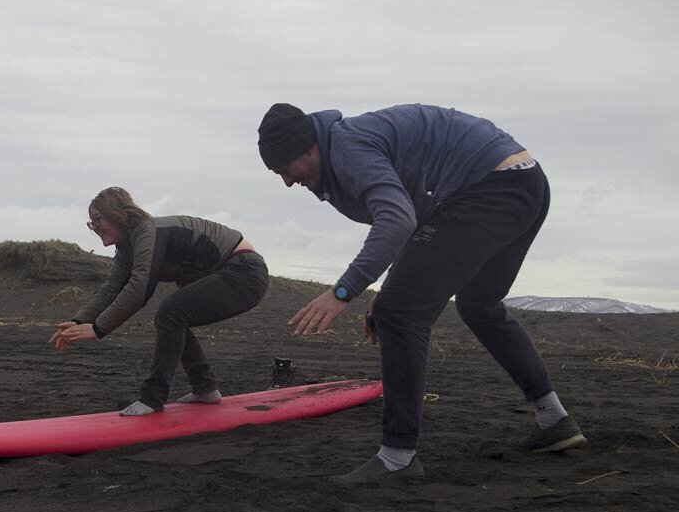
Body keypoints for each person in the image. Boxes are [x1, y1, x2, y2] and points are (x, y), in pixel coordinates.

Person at [257, 102, 586, 483]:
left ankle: (398, 457)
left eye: (285, 168)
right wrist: (390, 287)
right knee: (478, 304)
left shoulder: (347, 148)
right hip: (524, 183)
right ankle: (554, 418)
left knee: (401, 314)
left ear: (309, 148)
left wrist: (344, 291)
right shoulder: (348, 143)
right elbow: (420, 220)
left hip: (489, 189)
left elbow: (396, 219)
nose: (285, 181)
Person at [50, 186, 269, 415]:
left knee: (171, 313)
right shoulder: (127, 247)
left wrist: (98, 328)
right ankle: (205, 389)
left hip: (245, 271)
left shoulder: (148, 231)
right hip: (233, 273)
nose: (94, 228)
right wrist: (78, 321)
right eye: (91, 222)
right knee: (175, 316)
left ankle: (152, 399)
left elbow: (140, 287)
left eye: (97, 219)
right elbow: (112, 288)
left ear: (118, 214)